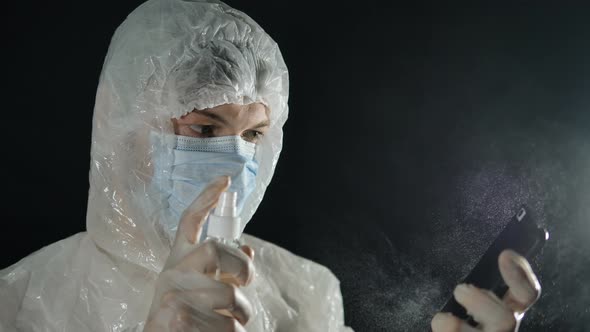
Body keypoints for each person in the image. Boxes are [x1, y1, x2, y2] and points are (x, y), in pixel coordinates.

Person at [0, 0, 541, 331]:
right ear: (122, 129)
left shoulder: (304, 294)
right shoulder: (20, 302)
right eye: (205, 130)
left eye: (254, 134)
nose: (235, 160)